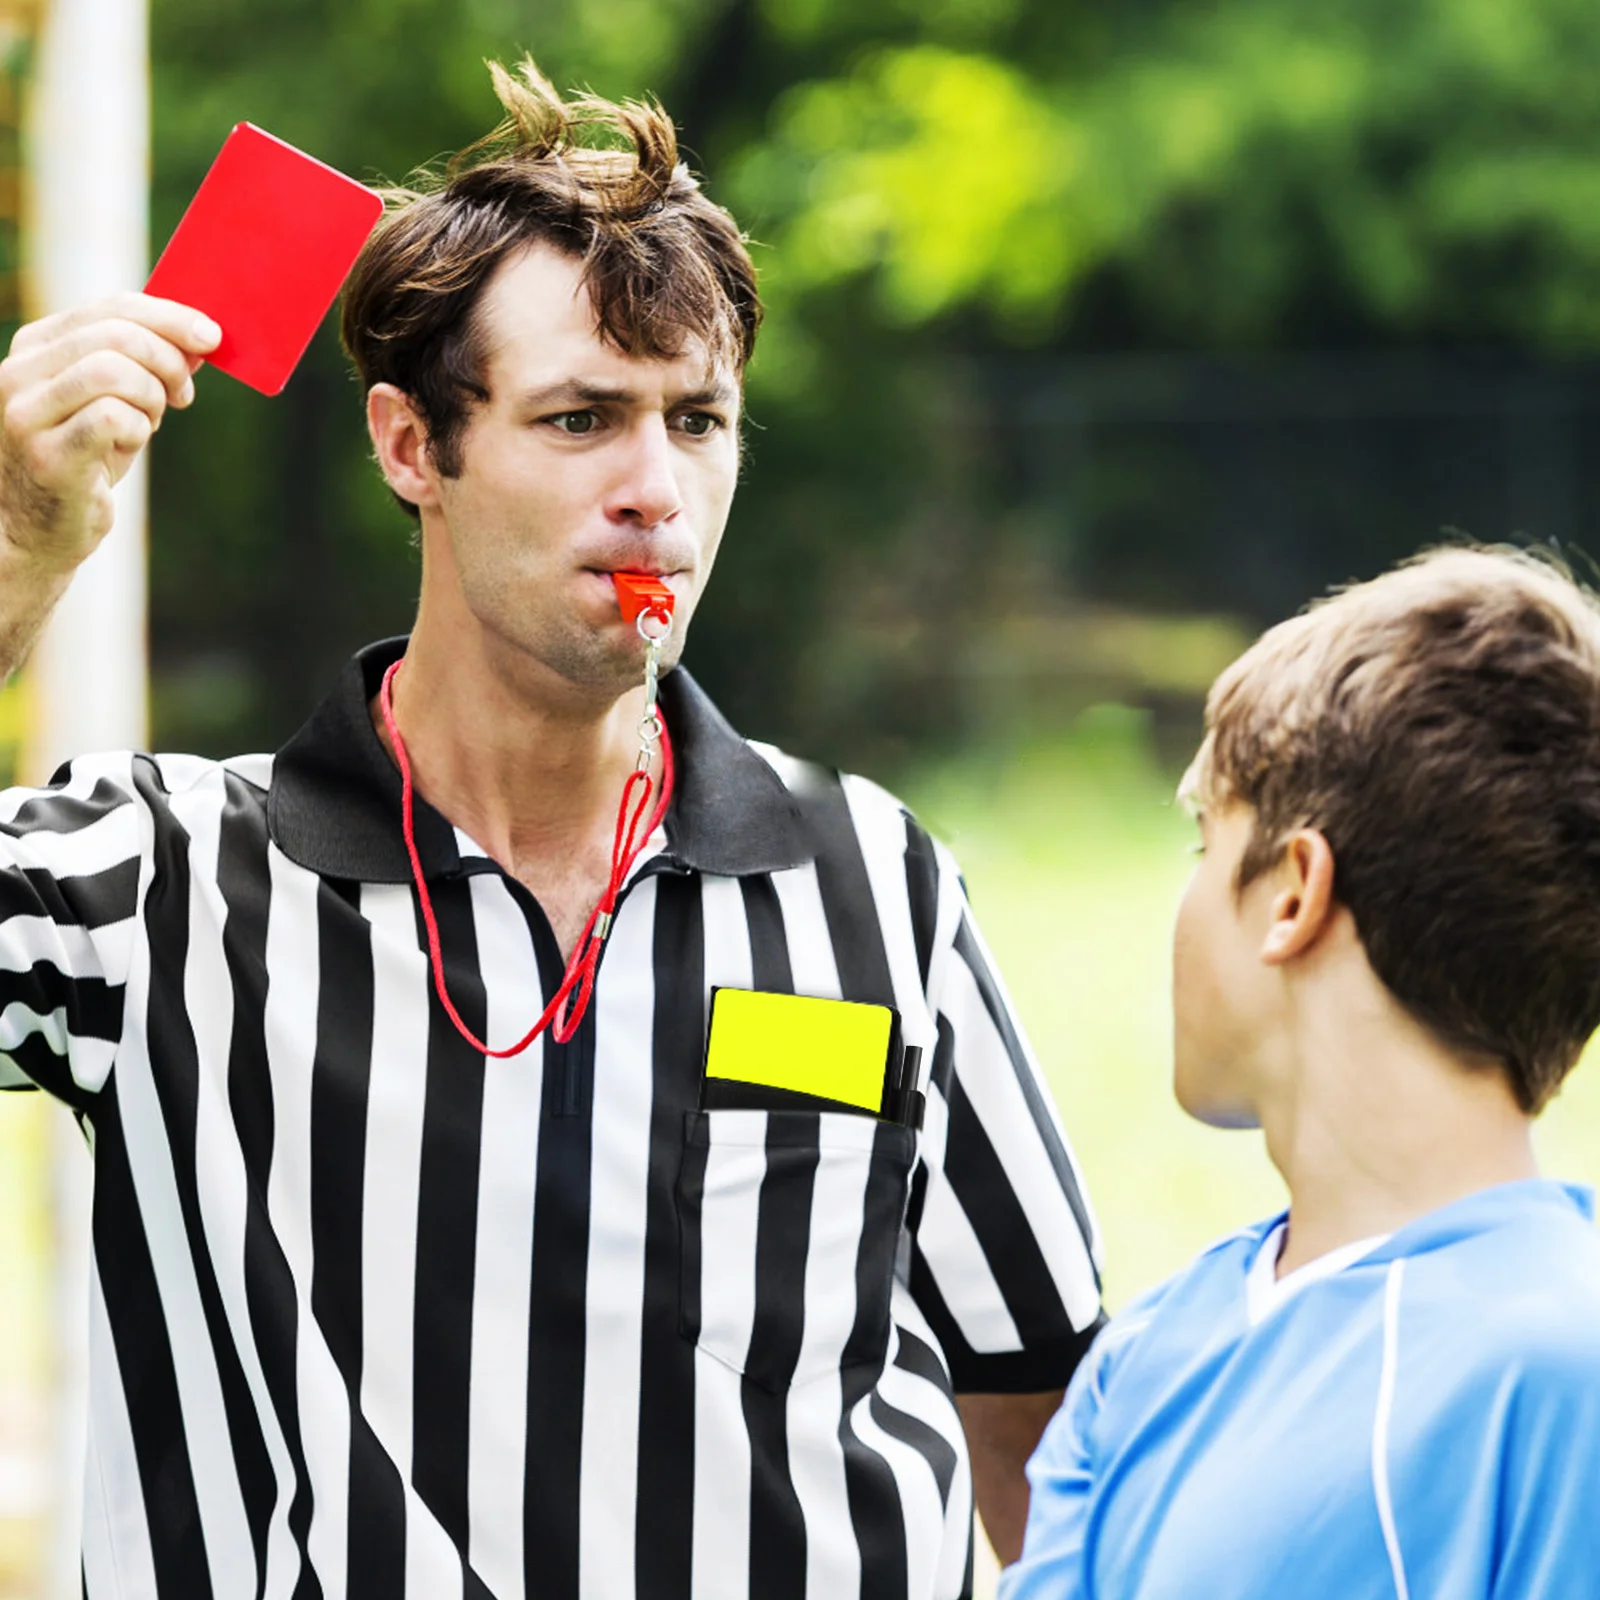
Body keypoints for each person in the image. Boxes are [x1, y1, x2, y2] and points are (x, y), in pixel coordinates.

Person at [0, 57, 1104, 1600]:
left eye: (698, 421)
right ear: (411, 447)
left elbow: (1045, 1420)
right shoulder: (160, 877)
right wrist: (15, 547)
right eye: (581, 418)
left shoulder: (872, 880)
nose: (656, 490)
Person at [1001, 545, 1600, 1600]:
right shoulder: (1145, 1353)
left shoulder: (1563, 1367)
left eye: (1203, 838)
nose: (1182, 901)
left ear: (1292, 892)